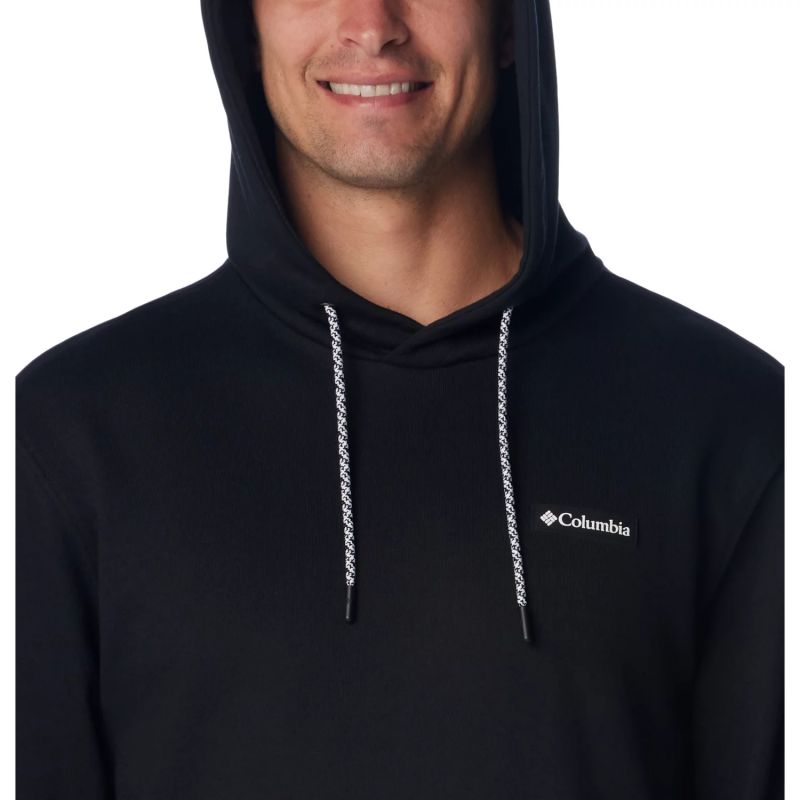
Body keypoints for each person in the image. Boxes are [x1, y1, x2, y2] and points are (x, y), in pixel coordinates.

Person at [16, 0, 784, 797]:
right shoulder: (70, 435)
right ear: (246, 26)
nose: (371, 24)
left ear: (509, 22)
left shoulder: (733, 423)